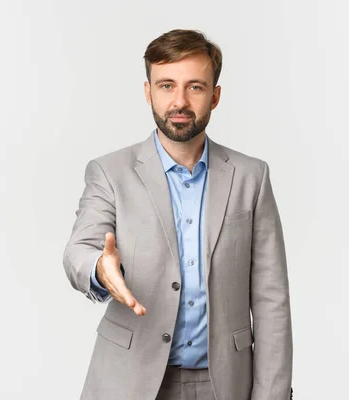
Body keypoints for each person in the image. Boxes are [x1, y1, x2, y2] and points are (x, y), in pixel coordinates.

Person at [63, 28, 293, 400]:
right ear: (148, 91)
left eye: (195, 87)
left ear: (215, 96)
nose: (179, 101)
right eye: (166, 85)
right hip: (128, 381)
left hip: (225, 384)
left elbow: (272, 300)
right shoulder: (110, 172)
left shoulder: (252, 177)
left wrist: (273, 395)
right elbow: (80, 250)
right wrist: (100, 270)